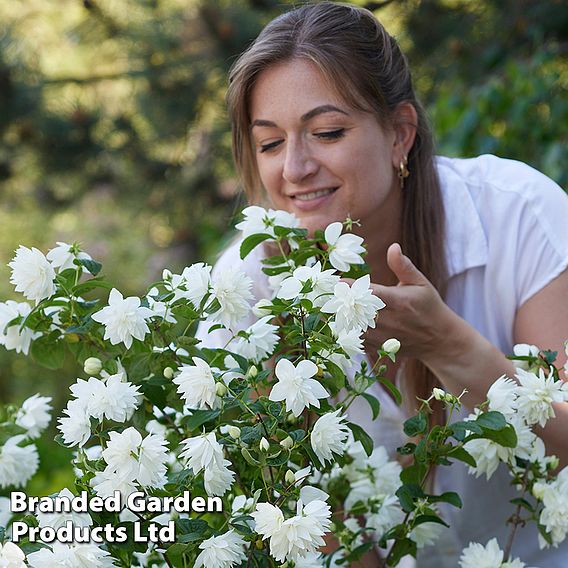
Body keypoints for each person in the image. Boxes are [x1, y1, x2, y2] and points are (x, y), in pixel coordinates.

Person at [200, 2, 568, 566]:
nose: (294, 168)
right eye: (270, 143)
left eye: (326, 132)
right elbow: (313, 522)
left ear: (399, 134)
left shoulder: (519, 215)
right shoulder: (243, 288)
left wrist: (446, 343)